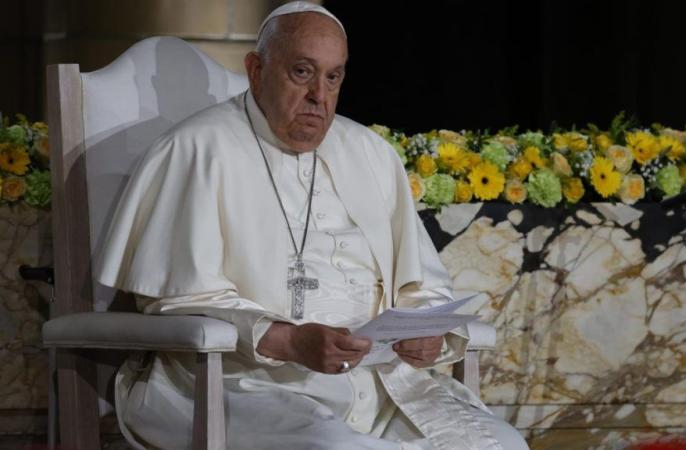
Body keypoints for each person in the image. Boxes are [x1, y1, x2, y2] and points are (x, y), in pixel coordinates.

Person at [96, 2, 529, 449]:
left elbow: (422, 284)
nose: (319, 97)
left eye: (333, 77)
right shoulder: (197, 149)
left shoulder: (369, 152)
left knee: (501, 445)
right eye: (302, 73)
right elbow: (175, 301)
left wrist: (428, 334)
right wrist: (285, 340)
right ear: (256, 69)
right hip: (240, 383)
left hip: (378, 387)